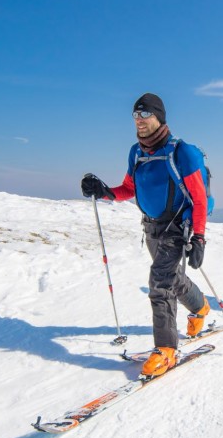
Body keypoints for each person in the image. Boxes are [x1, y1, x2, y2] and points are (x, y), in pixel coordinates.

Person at [80, 93, 211, 378]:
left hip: (177, 228)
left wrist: (199, 238)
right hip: (151, 227)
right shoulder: (136, 152)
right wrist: (104, 191)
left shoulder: (182, 152)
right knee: (171, 277)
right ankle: (201, 306)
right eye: (135, 116)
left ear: (159, 117)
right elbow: (129, 188)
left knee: (160, 282)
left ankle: (166, 350)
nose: (139, 121)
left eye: (145, 115)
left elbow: (199, 199)